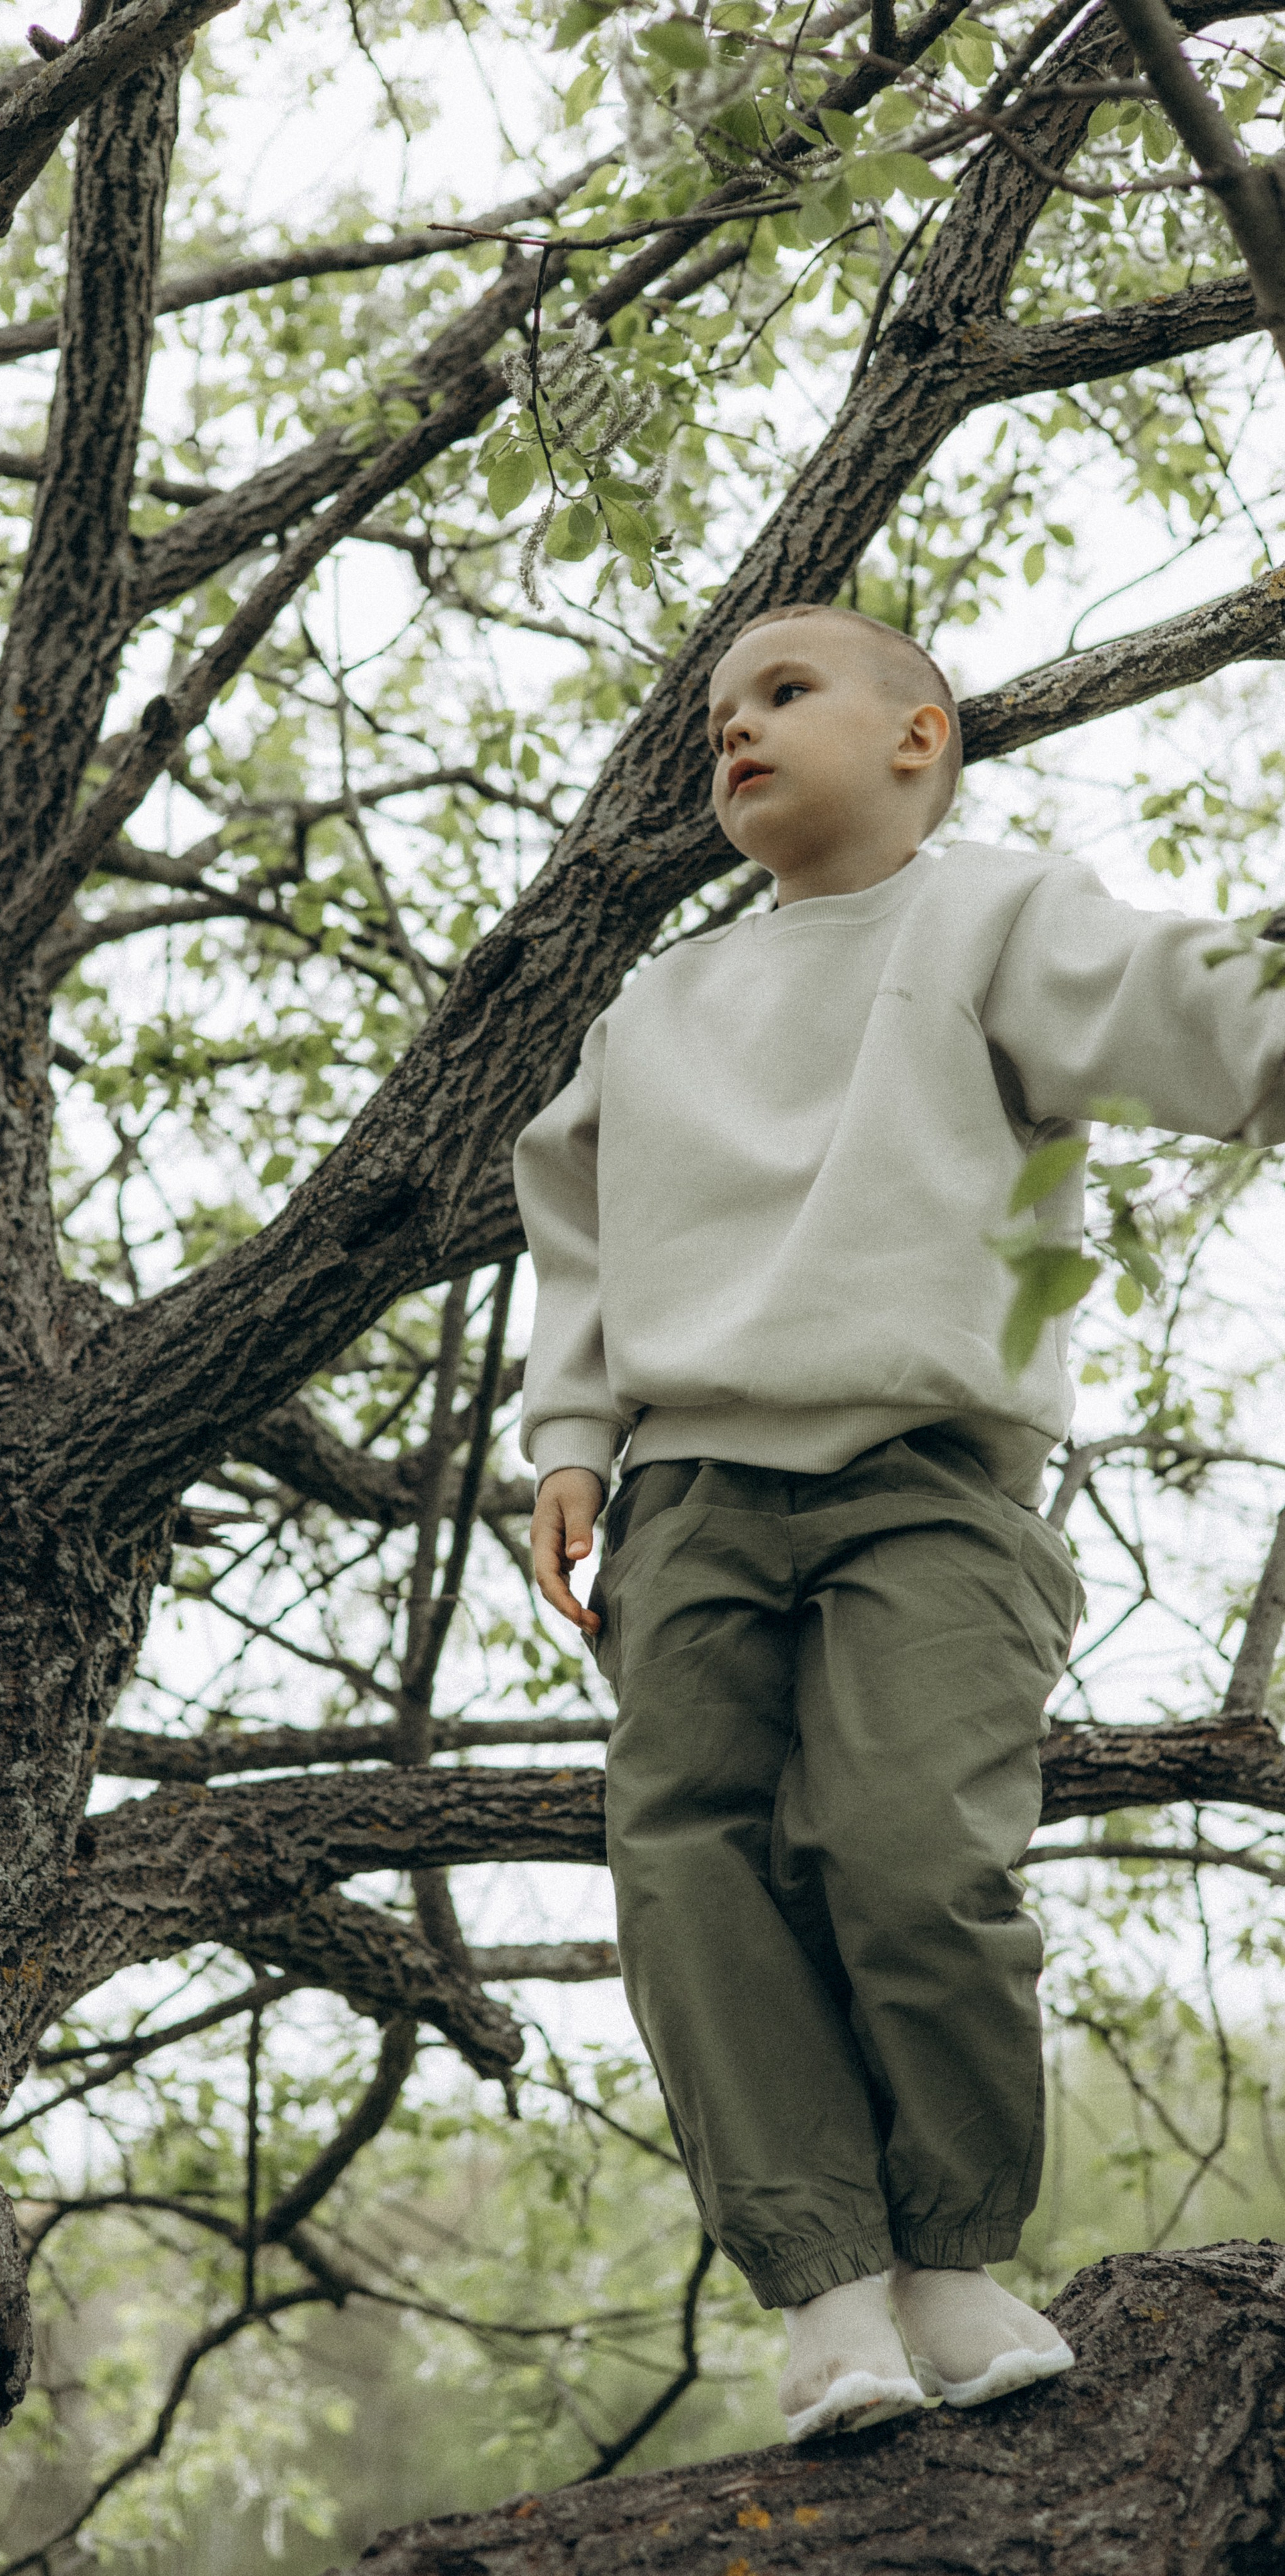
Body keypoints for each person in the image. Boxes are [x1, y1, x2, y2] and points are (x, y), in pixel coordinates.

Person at [515, 602, 1285, 2445]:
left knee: (906, 1846)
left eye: (784, 696)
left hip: (928, 1486)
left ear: (922, 737)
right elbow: (584, 1236)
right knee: (688, 1859)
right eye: (716, 722)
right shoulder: (662, 1002)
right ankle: (830, 2287)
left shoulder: (988, 917)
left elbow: (1184, 1008)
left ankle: (952, 2245)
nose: (737, 737)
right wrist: (567, 1440)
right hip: (690, 1493)